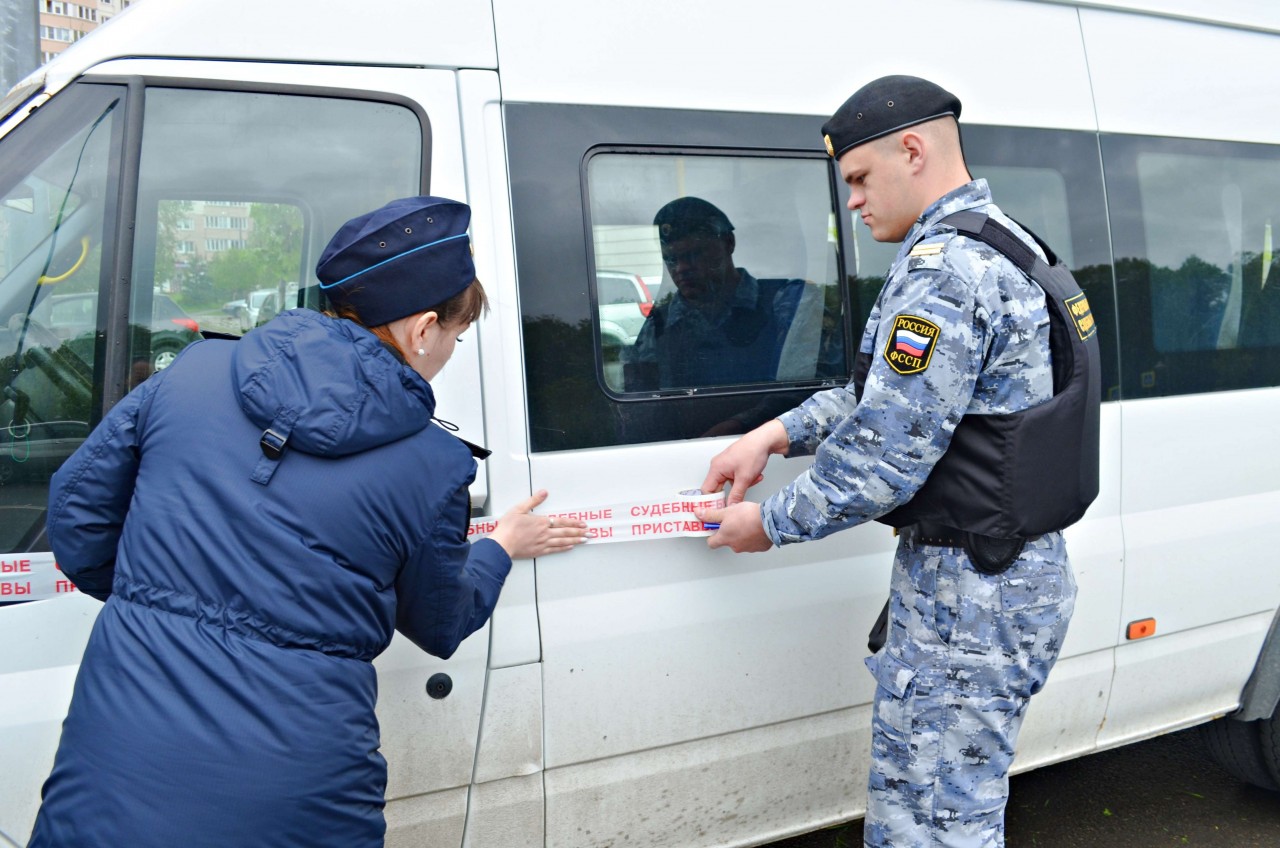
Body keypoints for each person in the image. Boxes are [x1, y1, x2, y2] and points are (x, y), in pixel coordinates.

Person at [29, 196, 588, 847]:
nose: (449, 352)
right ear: (423, 329)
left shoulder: (195, 370)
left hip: (110, 773)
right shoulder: (434, 464)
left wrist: (162, 598)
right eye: (457, 339)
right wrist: (500, 549)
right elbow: (439, 623)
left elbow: (76, 517)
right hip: (294, 805)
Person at [696, 76, 1100, 846]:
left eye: (857, 179)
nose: (851, 202)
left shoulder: (946, 271)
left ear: (911, 150)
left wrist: (768, 523)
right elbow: (882, 395)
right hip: (1000, 579)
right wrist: (773, 436)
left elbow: (882, 459)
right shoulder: (1001, 242)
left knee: (933, 829)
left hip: (968, 601)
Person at [623, 196, 803, 392]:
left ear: (729, 243)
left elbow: (813, 398)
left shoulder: (784, 303)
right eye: (671, 259)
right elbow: (640, 402)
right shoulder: (657, 326)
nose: (682, 268)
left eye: (695, 254)